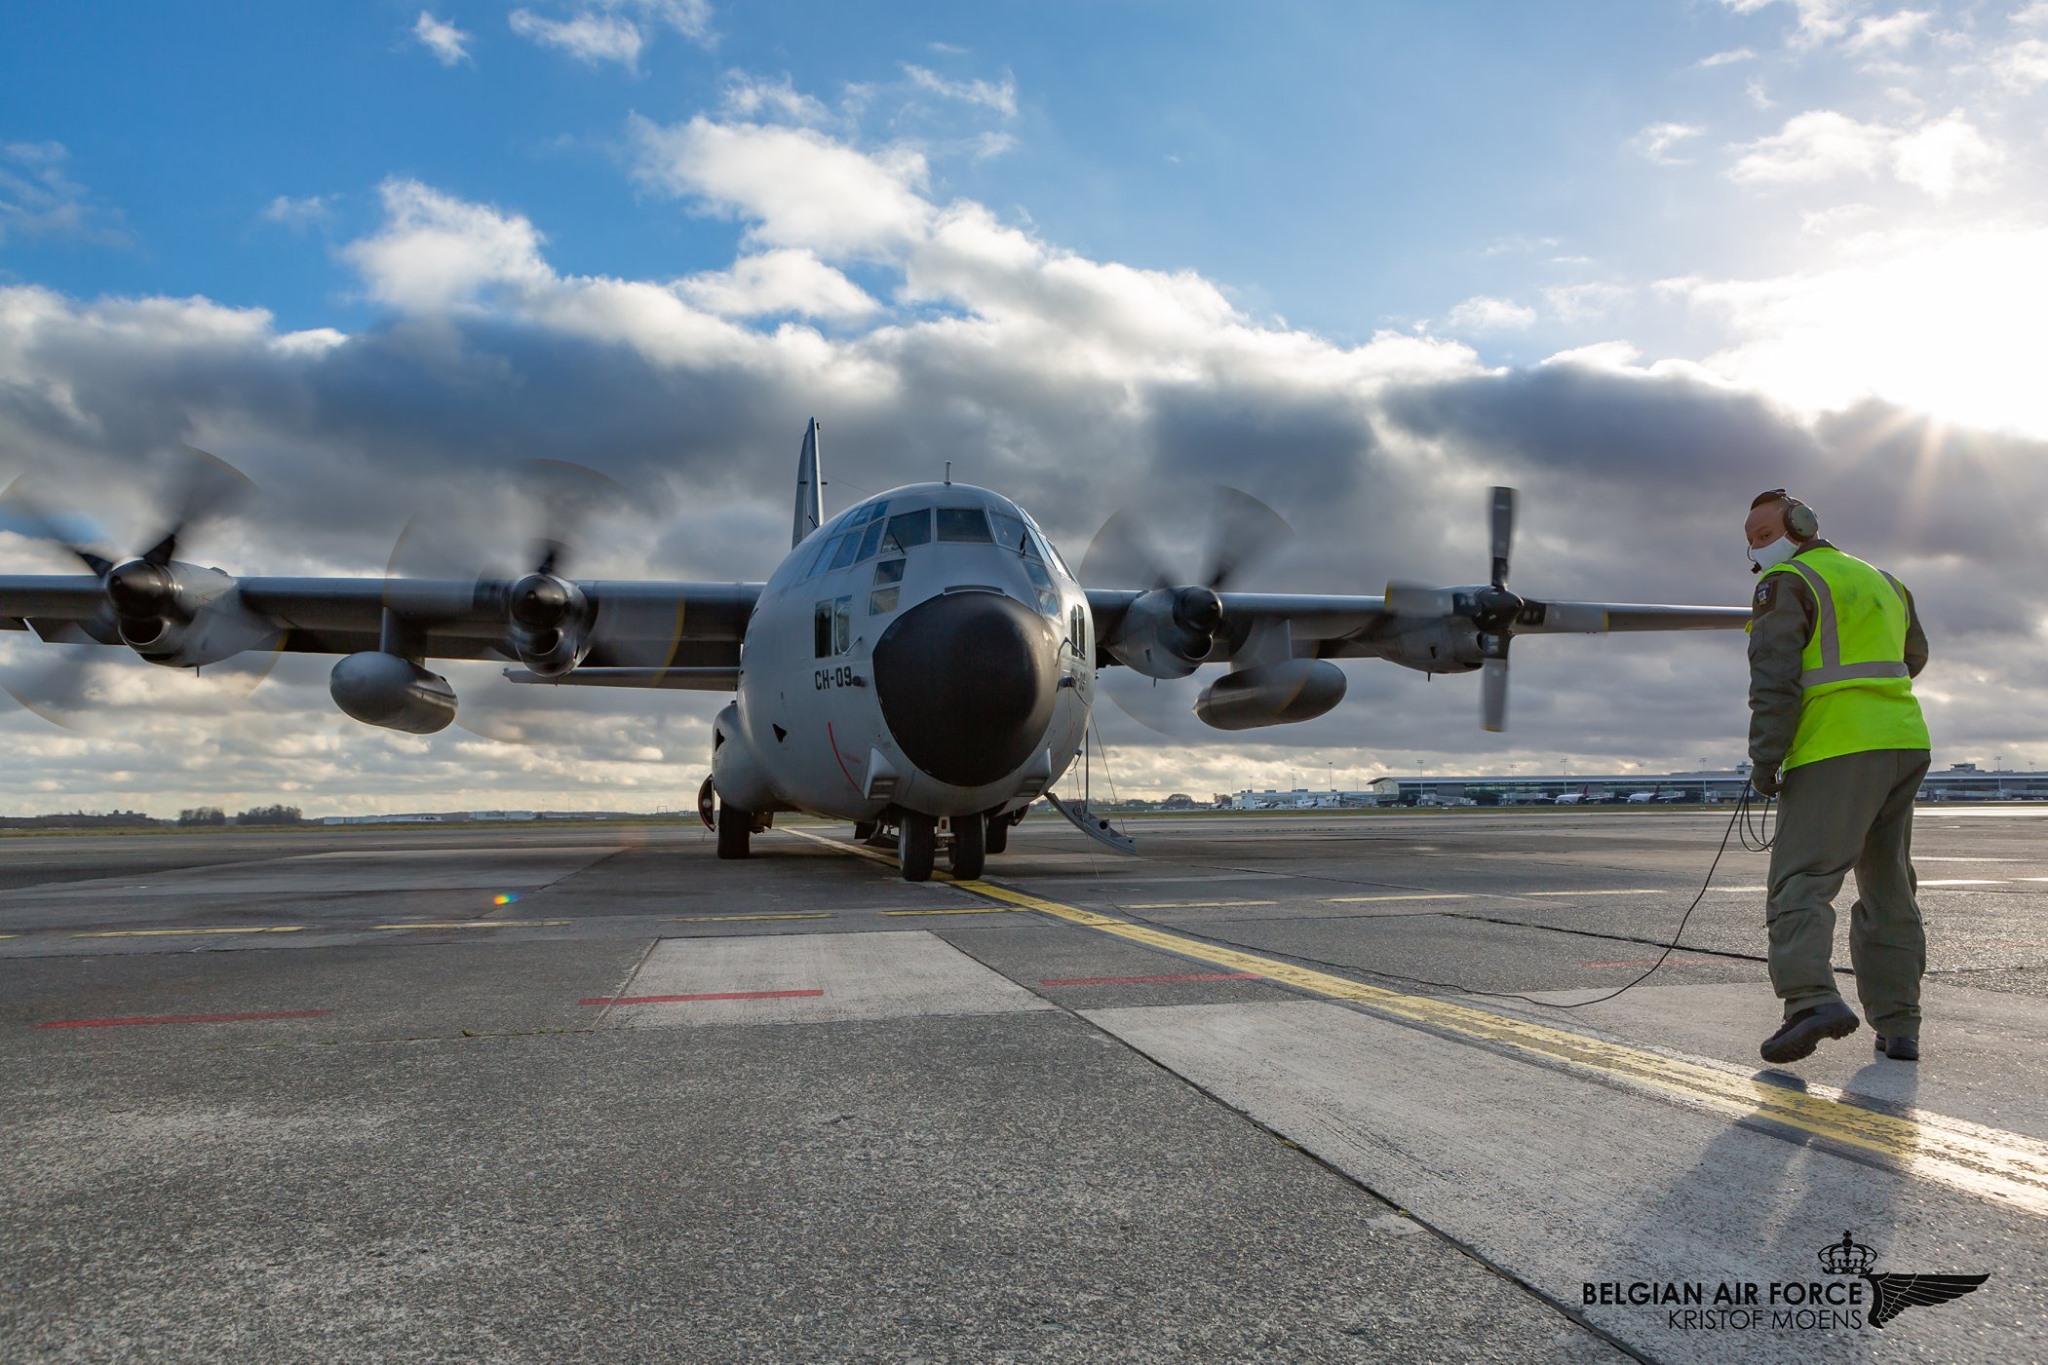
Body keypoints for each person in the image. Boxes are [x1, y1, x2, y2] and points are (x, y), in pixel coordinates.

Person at [1745, 489, 1931, 1064]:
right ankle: (1899, 1027)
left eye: (1759, 541)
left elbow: (1773, 677)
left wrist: (1766, 758)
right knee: (1889, 887)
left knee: (1802, 881)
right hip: (1903, 740)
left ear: (1787, 531)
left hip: (1835, 747)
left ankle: (1809, 1001)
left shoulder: (1788, 584)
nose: (1758, 556)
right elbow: (1914, 655)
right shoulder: (1885, 580)